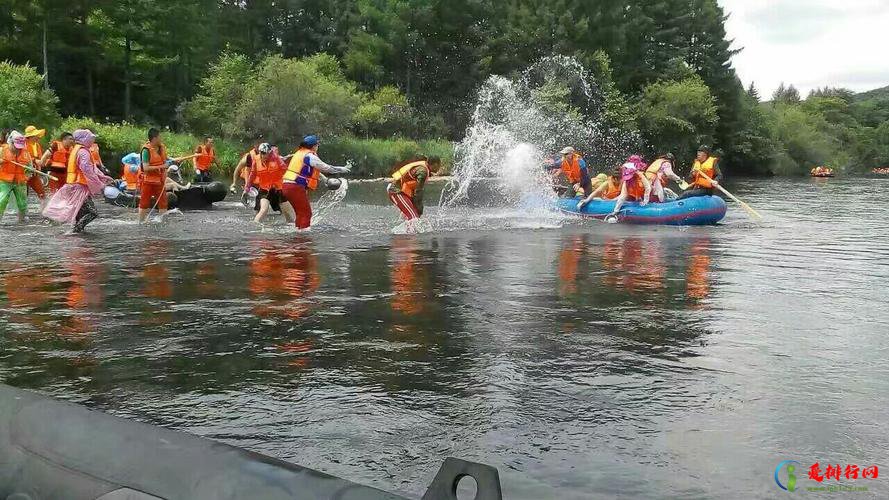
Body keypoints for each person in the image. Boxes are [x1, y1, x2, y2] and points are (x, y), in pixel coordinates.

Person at [43, 129, 114, 233]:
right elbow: (87, 170)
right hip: (79, 187)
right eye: (90, 138)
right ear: (84, 139)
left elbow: (91, 168)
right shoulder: (83, 152)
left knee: (80, 212)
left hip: (74, 185)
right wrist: (100, 185)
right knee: (92, 213)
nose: (92, 141)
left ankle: (77, 232)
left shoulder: (77, 149)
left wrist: (103, 177)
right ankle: (75, 231)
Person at [281, 135, 350, 230]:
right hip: (295, 186)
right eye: (317, 145)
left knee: (300, 212)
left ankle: (298, 233)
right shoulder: (310, 156)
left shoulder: (299, 153)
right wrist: (341, 169)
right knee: (306, 213)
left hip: (286, 186)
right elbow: (326, 168)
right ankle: (303, 236)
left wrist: (325, 180)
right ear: (313, 146)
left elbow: (315, 171)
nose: (318, 147)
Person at [577, 158, 651, 219]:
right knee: (595, 198)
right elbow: (597, 192)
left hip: (614, 200)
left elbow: (625, 196)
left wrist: (645, 200)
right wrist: (587, 200)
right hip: (607, 201)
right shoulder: (608, 183)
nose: (620, 180)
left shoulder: (632, 179)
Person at [244, 143, 295, 223]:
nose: (265, 156)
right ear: (260, 152)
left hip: (278, 189)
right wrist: (247, 188)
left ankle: (291, 228)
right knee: (264, 209)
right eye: (263, 153)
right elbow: (252, 175)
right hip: (265, 189)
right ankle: (254, 227)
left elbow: (285, 170)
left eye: (267, 153)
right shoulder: (256, 159)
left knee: (287, 213)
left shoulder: (276, 159)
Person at [387, 156, 441, 220]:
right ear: (435, 164)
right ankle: (409, 230)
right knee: (414, 218)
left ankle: (409, 230)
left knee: (414, 216)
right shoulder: (423, 172)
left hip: (402, 192)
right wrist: (419, 206)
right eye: (439, 165)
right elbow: (418, 191)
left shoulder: (424, 167)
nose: (439, 167)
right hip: (396, 191)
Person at [138, 128, 173, 223]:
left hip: (160, 180)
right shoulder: (146, 151)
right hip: (148, 181)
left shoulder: (161, 148)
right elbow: (145, 168)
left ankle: (163, 222)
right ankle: (141, 222)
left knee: (163, 203)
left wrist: (172, 161)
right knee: (144, 203)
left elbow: (164, 159)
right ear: (154, 138)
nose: (160, 139)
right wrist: (162, 166)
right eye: (159, 137)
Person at [0, 131, 34, 224]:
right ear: (10, 142)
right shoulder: (2, 150)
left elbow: (29, 168)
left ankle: (21, 221)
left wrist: (29, 174)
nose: (18, 149)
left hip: (20, 182)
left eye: (20, 147)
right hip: (5, 181)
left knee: (22, 203)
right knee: (2, 200)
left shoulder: (25, 153)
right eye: (15, 146)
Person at [24, 125, 48, 211]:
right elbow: (23, 157)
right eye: (36, 135)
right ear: (30, 136)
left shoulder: (37, 145)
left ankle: (44, 212)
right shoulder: (23, 144)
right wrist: (34, 160)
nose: (38, 137)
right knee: (23, 195)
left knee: (42, 193)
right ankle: (22, 215)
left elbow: (40, 158)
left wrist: (43, 162)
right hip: (25, 173)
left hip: (35, 173)